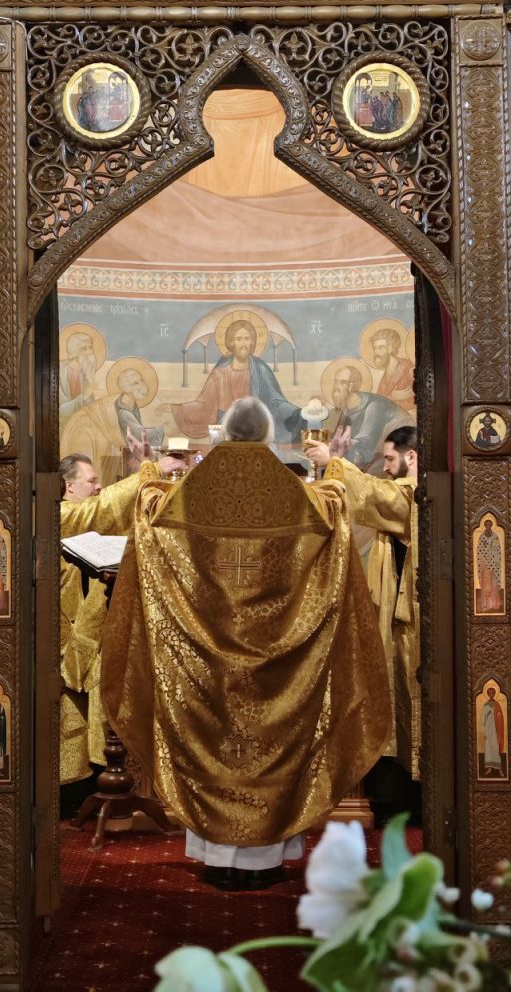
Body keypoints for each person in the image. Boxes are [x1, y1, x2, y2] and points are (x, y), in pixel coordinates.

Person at [101, 396, 391, 891]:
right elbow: (335, 508)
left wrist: (147, 469)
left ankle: (217, 858)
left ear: (224, 433)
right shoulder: (297, 493)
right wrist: (334, 467)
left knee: (213, 743)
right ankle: (266, 860)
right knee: (273, 744)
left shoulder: (188, 493)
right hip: (279, 660)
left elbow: (149, 509)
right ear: (266, 435)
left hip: (205, 663)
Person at [58, 450, 185, 785]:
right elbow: (101, 510)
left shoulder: (85, 521)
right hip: (66, 644)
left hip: (99, 638)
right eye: (91, 481)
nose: (99, 486)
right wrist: (152, 470)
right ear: (69, 487)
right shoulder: (61, 515)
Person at [306, 425, 420, 782]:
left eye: (390, 458)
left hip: (416, 627)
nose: (385, 467)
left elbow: (373, 495)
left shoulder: (418, 496)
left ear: (411, 456)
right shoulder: (402, 491)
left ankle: (410, 789)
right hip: (392, 618)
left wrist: (334, 462)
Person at [167, 319, 303, 443]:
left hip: (256, 429)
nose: (243, 344)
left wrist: (298, 413)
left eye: (247, 339)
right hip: (227, 430)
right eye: (238, 339)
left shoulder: (261, 369)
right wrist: (178, 409)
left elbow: (275, 402)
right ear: (231, 343)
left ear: (252, 342)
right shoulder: (220, 373)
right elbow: (204, 404)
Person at [60, 366, 164, 487]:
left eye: (141, 380)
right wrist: (163, 430)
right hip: (86, 434)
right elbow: (138, 434)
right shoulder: (123, 410)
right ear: (127, 388)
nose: (142, 385)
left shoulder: (130, 405)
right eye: (136, 383)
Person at [330, 364, 412, 474]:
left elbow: (366, 440)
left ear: (351, 386)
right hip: (379, 450)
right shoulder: (345, 409)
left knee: (371, 473)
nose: (336, 387)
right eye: (335, 382)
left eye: (342, 382)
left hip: (401, 444)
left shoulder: (373, 406)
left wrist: (342, 445)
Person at [59, 332, 99, 430]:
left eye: (90, 348)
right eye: (84, 348)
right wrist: (85, 396)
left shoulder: (87, 375)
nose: (89, 352)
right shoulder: (60, 370)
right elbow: (60, 411)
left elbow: (89, 409)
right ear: (74, 351)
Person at [370, 327, 415, 411]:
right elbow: (378, 402)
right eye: (374, 348)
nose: (376, 352)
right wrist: (391, 397)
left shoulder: (408, 368)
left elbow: (417, 399)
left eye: (380, 347)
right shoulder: (385, 375)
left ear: (390, 349)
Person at [476, 518, 502, 612]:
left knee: (493, 584)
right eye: (486, 525)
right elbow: (479, 551)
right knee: (486, 584)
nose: (488, 527)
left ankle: (494, 604)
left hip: (494, 565)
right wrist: (484, 560)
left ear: (491, 526)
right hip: (485, 565)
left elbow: (497, 550)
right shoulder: (482, 537)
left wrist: (493, 560)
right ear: (485, 526)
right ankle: (486, 605)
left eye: (489, 525)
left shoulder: (495, 536)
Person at [481, 687, 505, 777]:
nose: (491, 694)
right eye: (490, 692)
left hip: (495, 730)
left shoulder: (497, 704)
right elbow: (483, 718)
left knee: (495, 748)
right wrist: (484, 731)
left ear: (494, 694)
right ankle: (489, 768)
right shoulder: (485, 705)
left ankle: (499, 768)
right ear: (488, 694)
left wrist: (497, 716)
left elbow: (500, 717)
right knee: (488, 748)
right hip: (488, 729)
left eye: (492, 692)